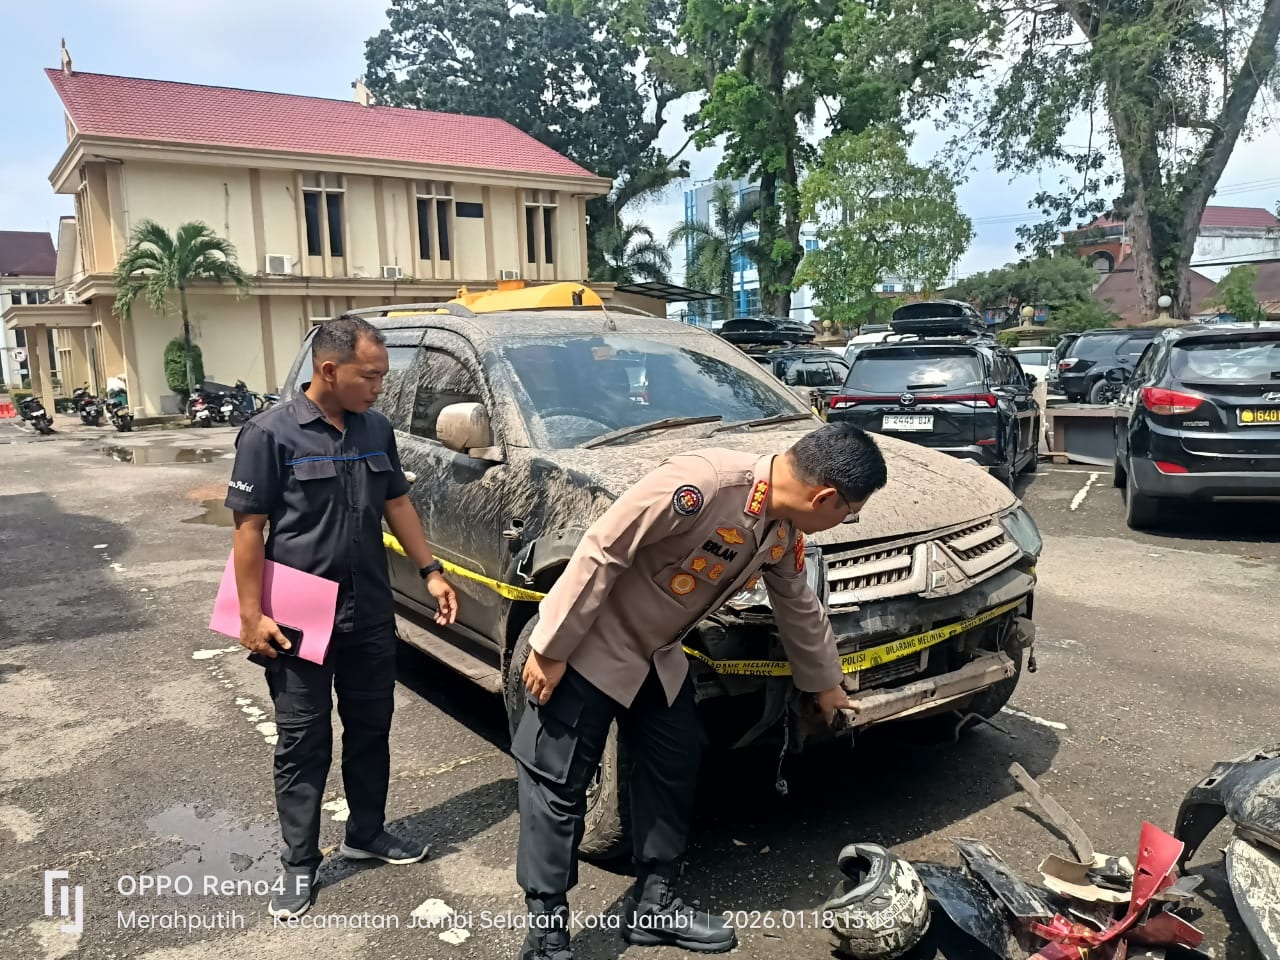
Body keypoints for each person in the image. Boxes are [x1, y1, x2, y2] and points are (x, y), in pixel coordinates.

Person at [513, 422, 889, 960]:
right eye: (848, 512)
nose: (845, 521)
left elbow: (798, 604)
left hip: (659, 656)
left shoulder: (780, 531)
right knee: (557, 784)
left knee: (673, 765)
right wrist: (551, 648)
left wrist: (827, 685)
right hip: (589, 647)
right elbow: (604, 547)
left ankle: (654, 905)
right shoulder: (705, 484)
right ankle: (547, 932)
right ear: (824, 497)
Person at [225, 316, 458, 919]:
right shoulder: (269, 434)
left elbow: (397, 501)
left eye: (383, 376)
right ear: (329, 370)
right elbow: (249, 530)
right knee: (303, 740)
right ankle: (300, 862)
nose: (380, 387)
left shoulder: (376, 428)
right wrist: (250, 615)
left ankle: (367, 832)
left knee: (371, 726)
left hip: (370, 609)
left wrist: (431, 570)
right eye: (370, 376)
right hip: (297, 614)